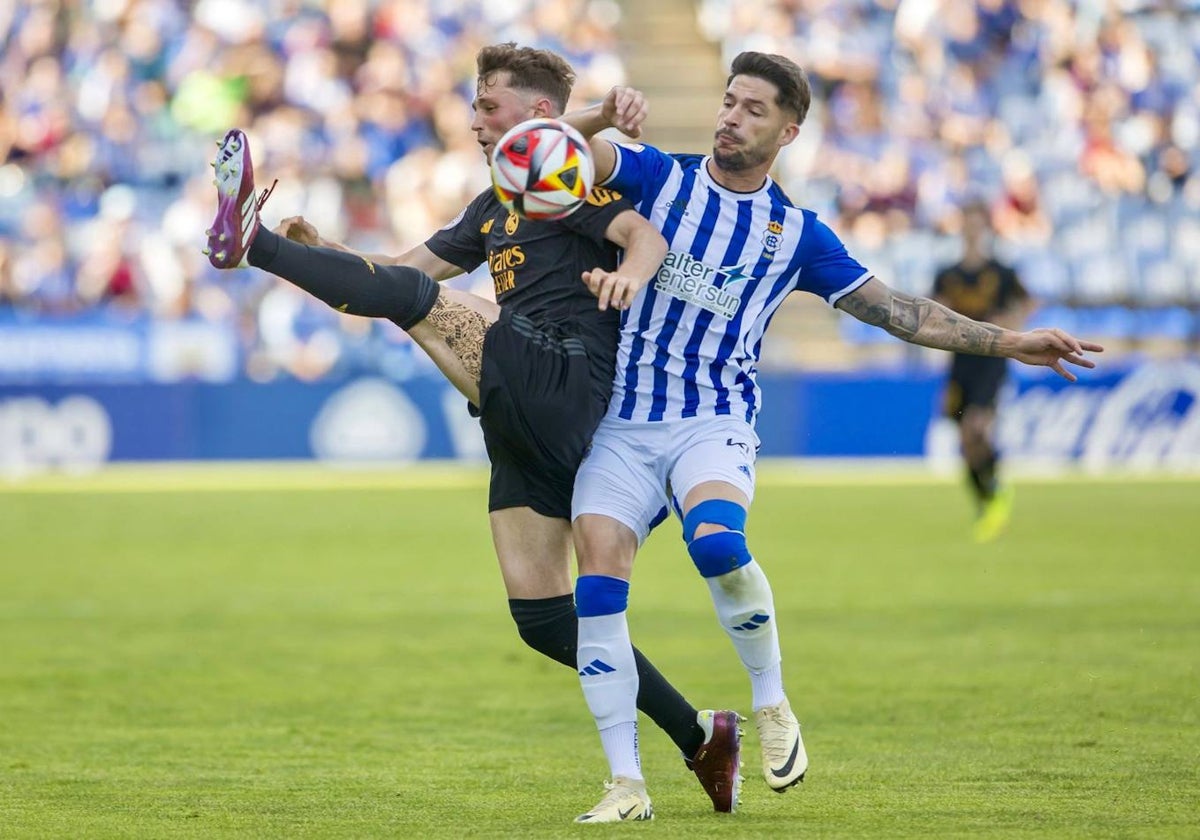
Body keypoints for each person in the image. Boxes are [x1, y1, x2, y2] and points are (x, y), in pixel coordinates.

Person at [560, 51, 1103, 822]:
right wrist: (596, 117)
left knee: (717, 545)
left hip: (713, 420)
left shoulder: (797, 235)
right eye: (728, 101)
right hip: (623, 421)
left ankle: (772, 703)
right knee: (598, 587)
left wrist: (1009, 342)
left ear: (789, 129)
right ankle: (627, 784)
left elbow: (900, 312)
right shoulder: (658, 176)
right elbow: (549, 150)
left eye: (752, 109)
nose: (730, 117)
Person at [201, 43, 742, 813]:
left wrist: (630, 275)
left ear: (539, 117)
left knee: (411, 301)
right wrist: (327, 251)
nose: (475, 120)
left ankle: (248, 245)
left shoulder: (570, 179)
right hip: (519, 412)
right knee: (544, 618)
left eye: (489, 106)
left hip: (564, 375)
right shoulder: (494, 205)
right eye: (476, 106)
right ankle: (701, 733)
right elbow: (400, 265)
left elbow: (643, 238)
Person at [933, 199, 1035, 542]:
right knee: (965, 439)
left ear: (986, 229)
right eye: (968, 225)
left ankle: (996, 490)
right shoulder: (948, 274)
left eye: (978, 225)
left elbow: (1027, 301)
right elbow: (932, 309)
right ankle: (986, 499)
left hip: (991, 360)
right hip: (960, 361)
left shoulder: (1001, 273)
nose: (972, 232)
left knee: (978, 426)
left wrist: (1013, 324)